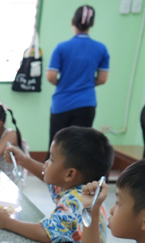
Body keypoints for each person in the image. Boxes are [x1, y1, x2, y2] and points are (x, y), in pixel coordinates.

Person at [0, 126, 112, 243]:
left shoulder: (75, 201)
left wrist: (7, 222)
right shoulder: (81, 188)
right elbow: (49, 177)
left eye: (52, 159)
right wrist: (24, 160)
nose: (46, 163)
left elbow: (46, 233)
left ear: (70, 174)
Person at [46, 5, 110, 147]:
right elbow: (102, 79)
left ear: (72, 22)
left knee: (56, 146)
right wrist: (86, 82)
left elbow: (51, 76)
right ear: (92, 24)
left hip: (62, 103)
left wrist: (64, 82)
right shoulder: (101, 48)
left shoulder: (61, 48)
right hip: (86, 104)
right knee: (79, 149)